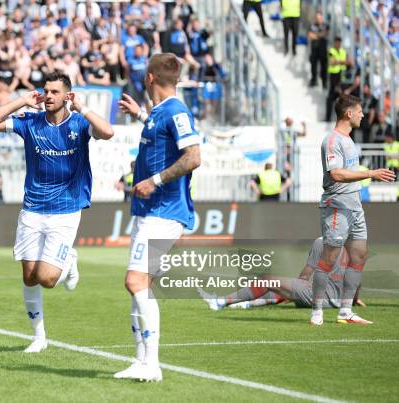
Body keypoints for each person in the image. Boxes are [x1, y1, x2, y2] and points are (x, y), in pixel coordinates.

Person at [0, 72, 114, 353]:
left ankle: (69, 259)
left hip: (66, 209)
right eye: (46, 91)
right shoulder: (31, 122)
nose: (48, 96)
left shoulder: (78, 122)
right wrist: (20, 101)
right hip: (32, 208)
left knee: (48, 279)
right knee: (29, 276)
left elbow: (107, 132)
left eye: (55, 91)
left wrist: (84, 108)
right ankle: (39, 337)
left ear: (68, 95)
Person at [114, 53, 201, 382]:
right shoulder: (158, 113)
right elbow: (160, 134)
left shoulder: (177, 111)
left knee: (135, 281)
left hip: (164, 213)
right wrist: (140, 115)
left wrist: (156, 180)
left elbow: (194, 157)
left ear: (150, 77)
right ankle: (140, 360)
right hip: (148, 212)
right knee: (141, 285)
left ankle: (152, 363)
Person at [312, 94, 395, 326]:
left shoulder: (349, 140)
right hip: (337, 205)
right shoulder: (332, 140)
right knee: (329, 258)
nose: (363, 115)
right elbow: (336, 174)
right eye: (359, 111)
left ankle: (345, 311)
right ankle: (316, 310)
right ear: (349, 113)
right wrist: (371, 173)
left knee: (359, 256)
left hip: (355, 206)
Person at [198, 238, 366, 311]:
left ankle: (221, 302)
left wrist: (300, 284)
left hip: (319, 299)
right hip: (335, 303)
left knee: (267, 280)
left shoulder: (322, 242)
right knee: (282, 290)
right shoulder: (355, 248)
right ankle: (246, 304)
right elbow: (356, 280)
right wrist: (355, 299)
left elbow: (306, 274)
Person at [325, 37, 347, 121]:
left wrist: (338, 61)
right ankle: (328, 117)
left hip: (341, 75)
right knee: (331, 97)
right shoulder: (331, 51)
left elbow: (347, 62)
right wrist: (341, 61)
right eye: (336, 42)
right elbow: (332, 62)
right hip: (333, 75)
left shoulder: (343, 51)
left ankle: (341, 118)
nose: (338, 44)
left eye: (339, 43)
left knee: (342, 98)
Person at [307, 11, 329, 88]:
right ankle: (314, 80)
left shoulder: (325, 25)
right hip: (314, 49)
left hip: (322, 50)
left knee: (324, 67)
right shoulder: (312, 25)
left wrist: (315, 35)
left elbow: (325, 33)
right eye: (317, 17)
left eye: (319, 17)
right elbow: (310, 35)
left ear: (322, 17)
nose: (318, 19)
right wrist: (319, 35)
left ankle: (324, 82)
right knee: (313, 66)